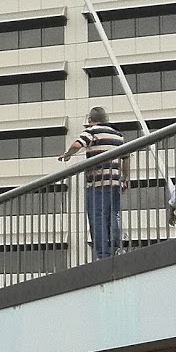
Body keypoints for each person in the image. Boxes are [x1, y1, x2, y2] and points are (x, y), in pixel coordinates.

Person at [59, 106, 125, 259]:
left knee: (98, 218)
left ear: (90, 120)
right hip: (114, 183)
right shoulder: (118, 135)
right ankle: (115, 248)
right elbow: (125, 158)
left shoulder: (92, 131)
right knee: (113, 215)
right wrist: (124, 178)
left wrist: (67, 155)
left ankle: (103, 254)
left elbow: (78, 144)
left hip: (97, 184)